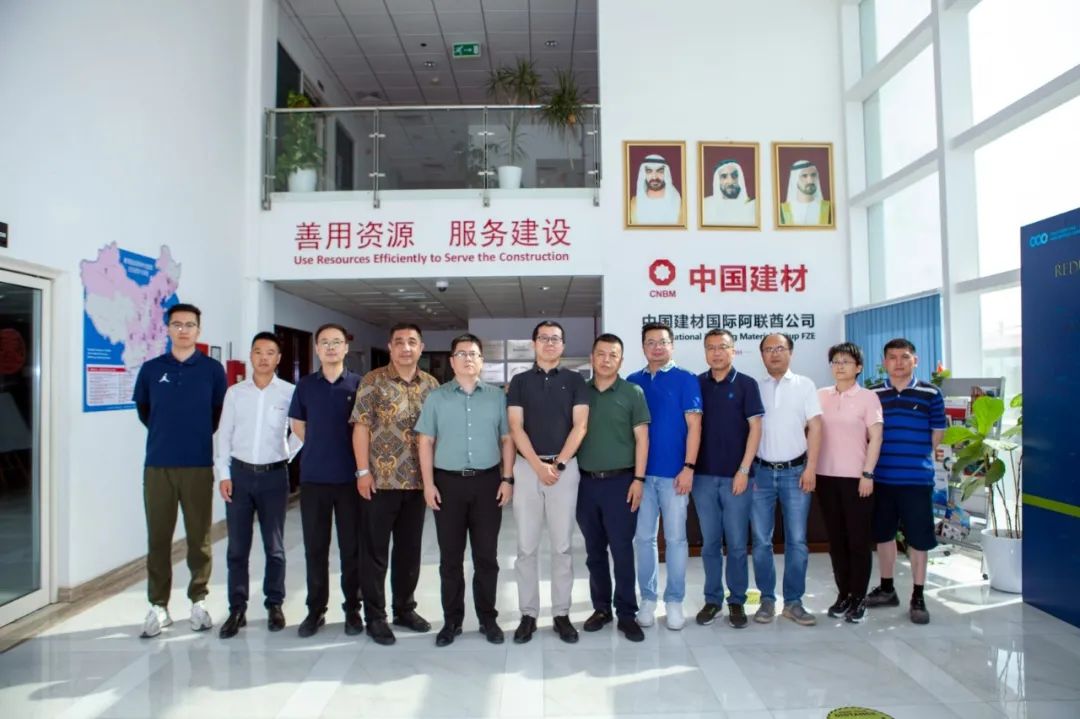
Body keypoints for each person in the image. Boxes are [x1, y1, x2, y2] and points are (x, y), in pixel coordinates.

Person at [133, 303, 226, 638]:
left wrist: (193, 436)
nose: (183, 330)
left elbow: (217, 413)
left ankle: (198, 600)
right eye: (177, 324)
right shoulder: (151, 369)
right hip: (158, 465)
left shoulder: (212, 370)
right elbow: (145, 411)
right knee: (158, 538)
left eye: (190, 324)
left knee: (199, 538)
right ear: (168, 328)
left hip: (198, 465)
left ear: (199, 330)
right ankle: (158, 605)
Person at [416, 334, 515, 647]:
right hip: (448, 485)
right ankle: (452, 621)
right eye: (461, 354)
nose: (468, 359)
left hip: (487, 483)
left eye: (473, 354)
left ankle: (488, 618)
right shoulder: (437, 398)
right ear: (452, 361)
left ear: (482, 360)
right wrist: (428, 484)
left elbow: (507, 440)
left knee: (486, 557)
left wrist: (507, 479)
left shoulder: (497, 398)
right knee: (450, 559)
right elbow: (425, 442)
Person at [351, 323, 440, 646]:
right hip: (380, 482)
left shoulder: (431, 385)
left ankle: (404, 609)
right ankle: (375, 617)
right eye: (399, 342)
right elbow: (360, 427)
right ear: (390, 347)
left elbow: (437, 432)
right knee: (375, 553)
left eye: (412, 342)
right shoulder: (372, 381)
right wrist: (363, 472)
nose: (406, 348)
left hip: (416, 483)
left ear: (421, 347)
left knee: (409, 551)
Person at [508, 321, 589, 644]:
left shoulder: (575, 380)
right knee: (526, 547)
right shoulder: (519, 381)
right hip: (527, 468)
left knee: (562, 547)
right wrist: (537, 466)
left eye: (556, 339)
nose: (550, 343)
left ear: (563, 345)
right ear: (534, 344)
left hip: (564, 468)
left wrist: (558, 464)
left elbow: (580, 426)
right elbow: (516, 427)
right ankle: (528, 614)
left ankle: (561, 614)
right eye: (544, 338)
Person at [215, 332, 297, 638]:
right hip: (239, 476)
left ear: (278, 358)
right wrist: (224, 474)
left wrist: (286, 454)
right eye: (258, 351)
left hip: (274, 477)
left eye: (270, 352)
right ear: (251, 356)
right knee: (237, 548)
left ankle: (274, 603)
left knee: (274, 547)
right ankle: (237, 608)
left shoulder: (289, 392)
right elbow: (224, 435)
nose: (263, 357)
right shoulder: (235, 393)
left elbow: (300, 431)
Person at [288, 323, 363, 638]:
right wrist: (320, 447)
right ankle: (315, 610)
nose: (331, 347)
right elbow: (298, 425)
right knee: (315, 549)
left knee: (352, 550)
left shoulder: (359, 384)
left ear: (346, 347)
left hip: (350, 481)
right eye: (325, 343)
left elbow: (365, 430)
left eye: (337, 342)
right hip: (315, 480)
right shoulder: (305, 386)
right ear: (317, 349)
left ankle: (353, 610)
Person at [866, 338, 947, 625]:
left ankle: (918, 595)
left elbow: (937, 434)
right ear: (884, 362)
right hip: (882, 478)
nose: (898, 362)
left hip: (916, 480)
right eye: (892, 357)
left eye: (904, 357)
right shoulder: (873, 394)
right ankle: (887, 588)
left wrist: (915, 456)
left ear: (915, 360)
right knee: (883, 535)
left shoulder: (930, 393)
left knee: (918, 539)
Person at [575, 334, 650, 643]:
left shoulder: (632, 392)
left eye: (613, 355)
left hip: (622, 483)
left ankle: (627, 613)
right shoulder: (580, 392)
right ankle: (601, 609)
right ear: (592, 358)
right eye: (601, 354)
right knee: (594, 551)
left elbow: (642, 439)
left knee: (621, 550)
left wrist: (639, 480)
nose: (606, 360)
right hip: (585, 484)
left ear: (621, 360)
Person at [627, 322, 702, 630]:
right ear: (643, 347)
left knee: (676, 539)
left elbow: (694, 427)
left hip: (675, 476)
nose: (657, 347)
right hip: (641, 476)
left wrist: (689, 467)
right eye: (650, 342)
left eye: (662, 342)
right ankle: (648, 599)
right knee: (644, 539)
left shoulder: (686, 379)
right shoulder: (633, 381)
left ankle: (674, 601)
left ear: (672, 345)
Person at [692, 329, 763, 629]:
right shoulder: (696, 383)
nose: (717, 353)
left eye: (722, 347)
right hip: (702, 478)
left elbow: (756, 429)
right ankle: (712, 600)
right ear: (705, 352)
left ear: (733, 351)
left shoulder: (747, 384)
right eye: (711, 348)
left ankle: (737, 601)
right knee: (709, 543)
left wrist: (744, 470)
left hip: (737, 478)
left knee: (736, 544)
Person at [751, 333, 822, 626]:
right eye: (768, 349)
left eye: (780, 348)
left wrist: (811, 468)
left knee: (797, 540)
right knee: (760, 541)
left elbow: (816, 427)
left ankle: (793, 602)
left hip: (796, 472)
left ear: (790, 352)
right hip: (761, 473)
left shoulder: (805, 385)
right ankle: (767, 600)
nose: (774, 354)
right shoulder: (754, 387)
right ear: (762, 355)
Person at [816, 342, 883, 624]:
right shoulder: (821, 395)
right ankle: (843, 594)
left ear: (858, 367)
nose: (840, 366)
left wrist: (867, 473)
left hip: (857, 479)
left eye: (846, 361)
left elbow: (876, 437)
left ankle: (859, 597)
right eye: (835, 361)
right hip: (825, 477)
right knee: (837, 541)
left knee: (858, 541)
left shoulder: (868, 397)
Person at [629, 153, 685, 225]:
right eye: (649, 171)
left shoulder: (681, 204)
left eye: (660, 171)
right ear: (643, 174)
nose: (654, 177)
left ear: (666, 174)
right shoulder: (633, 204)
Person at [701, 159, 757, 226]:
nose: (730, 181)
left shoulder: (753, 206)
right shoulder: (706, 205)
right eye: (724, 176)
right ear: (717, 181)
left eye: (734, 175)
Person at [779, 159, 832, 226]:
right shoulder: (783, 211)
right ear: (795, 179)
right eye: (804, 176)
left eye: (813, 175)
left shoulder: (827, 209)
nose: (810, 181)